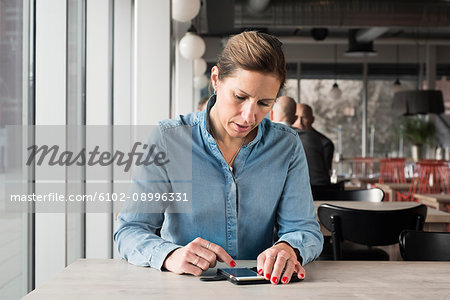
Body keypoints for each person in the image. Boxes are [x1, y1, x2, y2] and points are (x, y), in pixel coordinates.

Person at [114, 31, 323, 285]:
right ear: (216, 79)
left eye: (264, 103)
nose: (249, 116)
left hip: (261, 289)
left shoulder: (286, 146)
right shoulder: (167, 140)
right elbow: (129, 230)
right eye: (240, 97)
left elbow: (304, 229)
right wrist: (170, 255)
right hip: (184, 288)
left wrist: (289, 248)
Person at [270, 96, 331, 186]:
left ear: (271, 115)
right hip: (321, 193)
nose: (300, 122)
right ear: (294, 119)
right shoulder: (313, 138)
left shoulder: (265, 138)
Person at [293, 103, 334, 177]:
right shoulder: (286, 138)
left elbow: (325, 175)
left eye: (304, 117)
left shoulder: (325, 143)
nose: (299, 122)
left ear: (312, 120)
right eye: (296, 117)